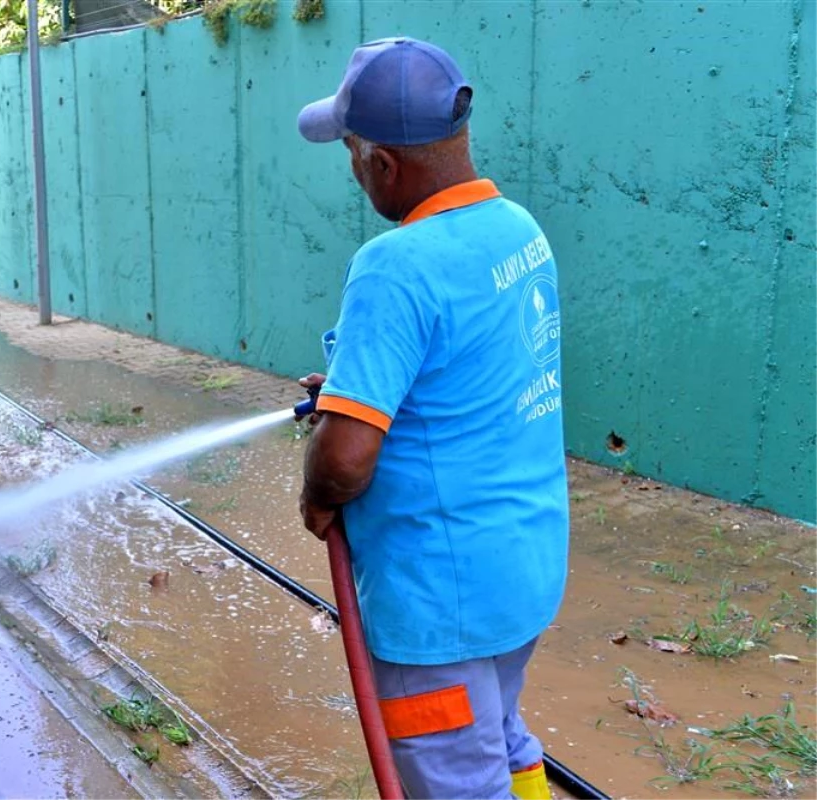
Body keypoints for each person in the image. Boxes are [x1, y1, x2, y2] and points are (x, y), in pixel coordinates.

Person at [294, 38, 569, 800]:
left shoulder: (395, 264)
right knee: (503, 735)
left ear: (382, 164)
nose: (354, 171)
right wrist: (354, 391)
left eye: (352, 154)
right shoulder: (520, 231)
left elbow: (345, 461)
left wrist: (321, 485)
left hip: (437, 605)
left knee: (456, 779)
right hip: (521, 575)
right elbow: (470, 371)